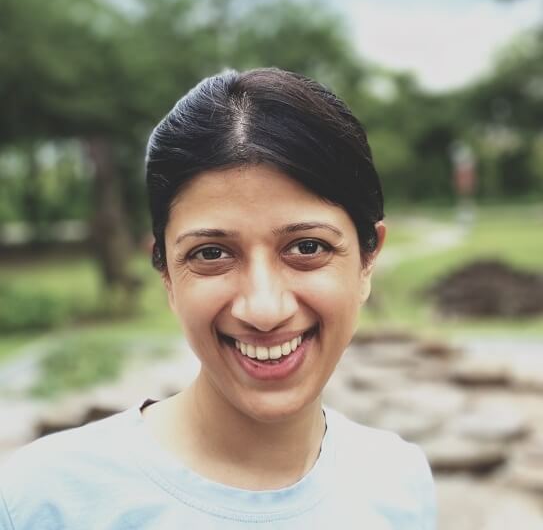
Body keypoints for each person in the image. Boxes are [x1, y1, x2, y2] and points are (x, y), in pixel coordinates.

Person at [0, 68, 436, 529]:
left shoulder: (399, 483)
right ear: (166, 274)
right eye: (211, 253)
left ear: (368, 261)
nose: (264, 310)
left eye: (308, 247)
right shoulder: (41, 502)